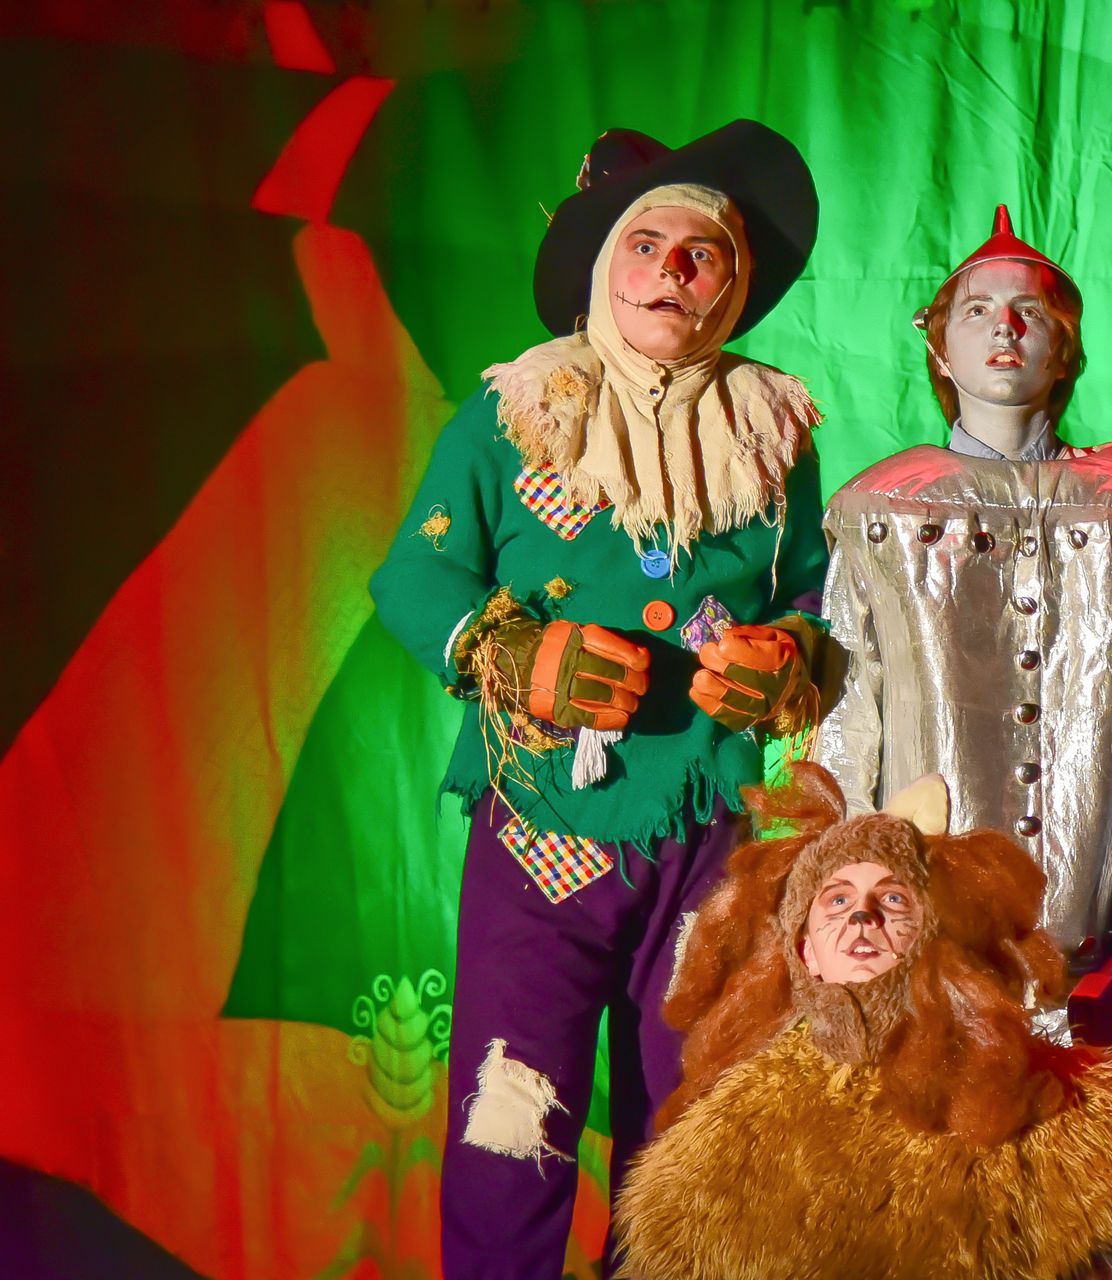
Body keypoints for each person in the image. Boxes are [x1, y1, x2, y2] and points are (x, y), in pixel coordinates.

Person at [368, 120, 829, 1278]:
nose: (672, 270)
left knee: (690, 1121)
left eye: (701, 253)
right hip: (543, 833)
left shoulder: (774, 427)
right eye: (646, 244)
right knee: (510, 1119)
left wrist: (794, 656)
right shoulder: (517, 410)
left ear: (737, 282)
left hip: (709, 835)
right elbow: (416, 573)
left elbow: (816, 588)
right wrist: (513, 649)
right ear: (598, 266)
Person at [811, 207, 1112, 1037]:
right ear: (938, 347)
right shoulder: (883, 507)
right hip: (920, 907)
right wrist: (841, 877)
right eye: (977, 310)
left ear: (1063, 349)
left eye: (1030, 313)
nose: (1006, 328)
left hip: (1087, 907)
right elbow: (852, 702)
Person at [609, 763, 1112, 1279]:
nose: (862, 917)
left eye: (894, 899)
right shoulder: (726, 1133)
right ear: (804, 951)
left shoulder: (1062, 1114)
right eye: (837, 900)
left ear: (934, 930)